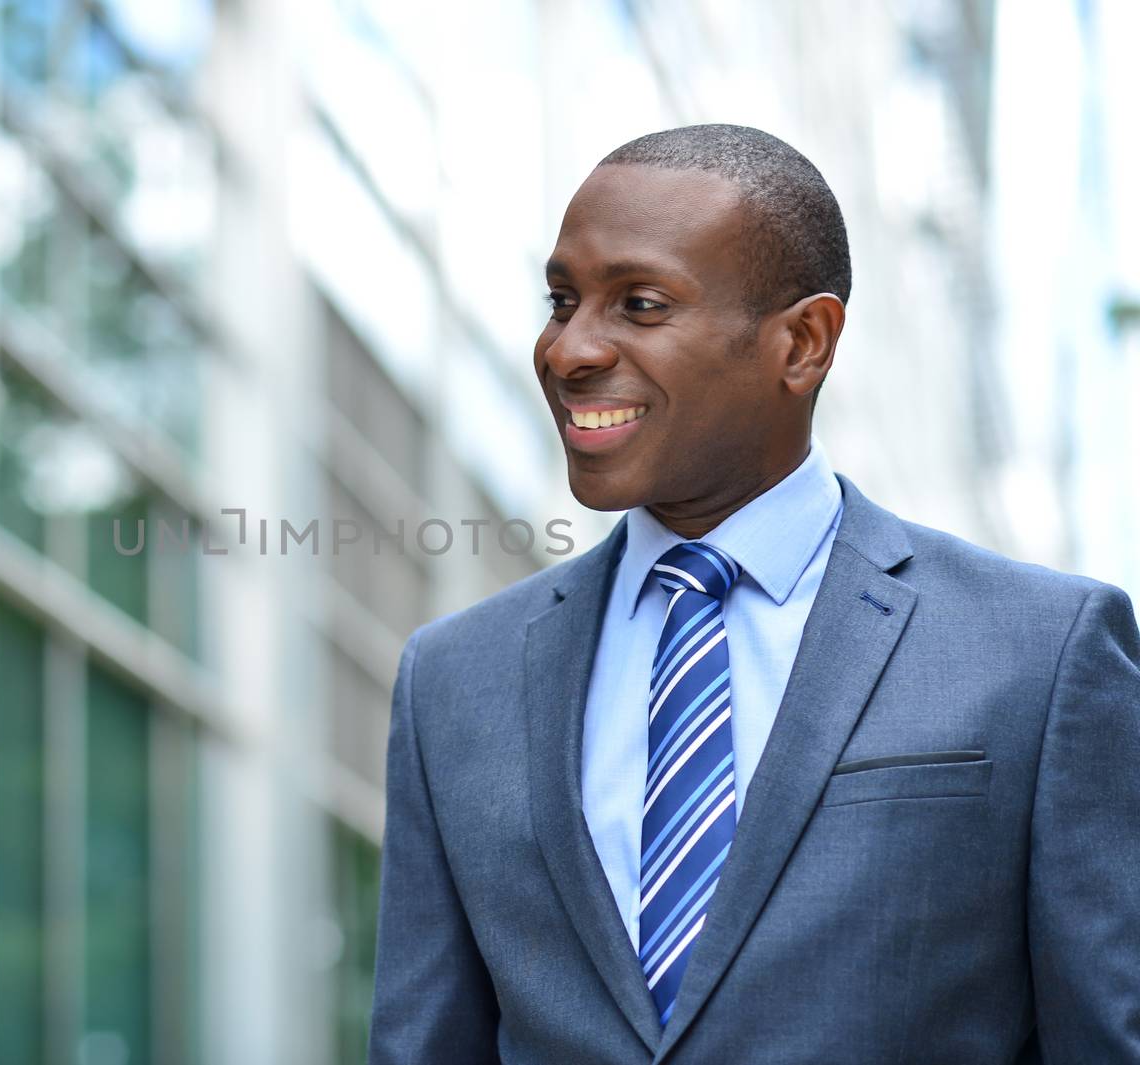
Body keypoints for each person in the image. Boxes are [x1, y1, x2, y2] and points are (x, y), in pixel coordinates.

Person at [366, 124, 1140, 1064]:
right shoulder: (453, 678)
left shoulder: (1041, 653)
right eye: (562, 301)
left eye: (639, 304)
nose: (568, 350)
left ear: (802, 343)